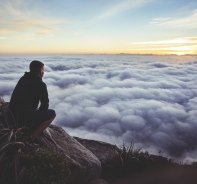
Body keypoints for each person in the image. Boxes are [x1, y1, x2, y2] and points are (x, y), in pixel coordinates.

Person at [9, 60, 56, 139]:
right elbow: (44, 106)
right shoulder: (41, 84)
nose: (43, 73)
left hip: (12, 117)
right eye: (43, 70)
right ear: (41, 71)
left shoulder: (23, 79)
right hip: (24, 120)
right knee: (53, 113)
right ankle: (33, 136)